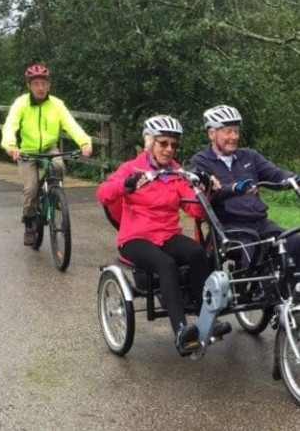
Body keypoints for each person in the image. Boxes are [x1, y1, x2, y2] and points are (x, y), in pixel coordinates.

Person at [96, 115, 230, 357]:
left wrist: (206, 190)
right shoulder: (132, 169)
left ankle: (204, 319)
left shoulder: (176, 173)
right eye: (163, 143)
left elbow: (194, 210)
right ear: (150, 143)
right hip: (135, 238)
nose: (169, 149)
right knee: (166, 265)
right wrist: (126, 185)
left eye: (173, 145)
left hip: (167, 234)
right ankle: (180, 330)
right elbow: (103, 194)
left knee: (197, 253)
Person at [191, 104, 300, 273]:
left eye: (236, 131)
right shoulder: (201, 161)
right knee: (253, 251)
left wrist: (294, 179)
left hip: (260, 222)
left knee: (294, 241)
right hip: (228, 226)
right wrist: (234, 188)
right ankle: (248, 294)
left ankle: (292, 292)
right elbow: (207, 192)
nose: (234, 137)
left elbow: (276, 174)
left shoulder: (249, 156)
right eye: (228, 131)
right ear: (212, 133)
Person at [1, 64, 93, 246]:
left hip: (49, 148)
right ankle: (29, 224)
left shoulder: (57, 105)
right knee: (31, 188)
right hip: (27, 150)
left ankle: (54, 195)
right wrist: (11, 145)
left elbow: (71, 125)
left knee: (58, 166)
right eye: (36, 84)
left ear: (49, 85)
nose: (40, 87)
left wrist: (84, 142)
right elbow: (10, 125)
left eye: (44, 83)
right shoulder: (22, 104)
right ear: (29, 85)